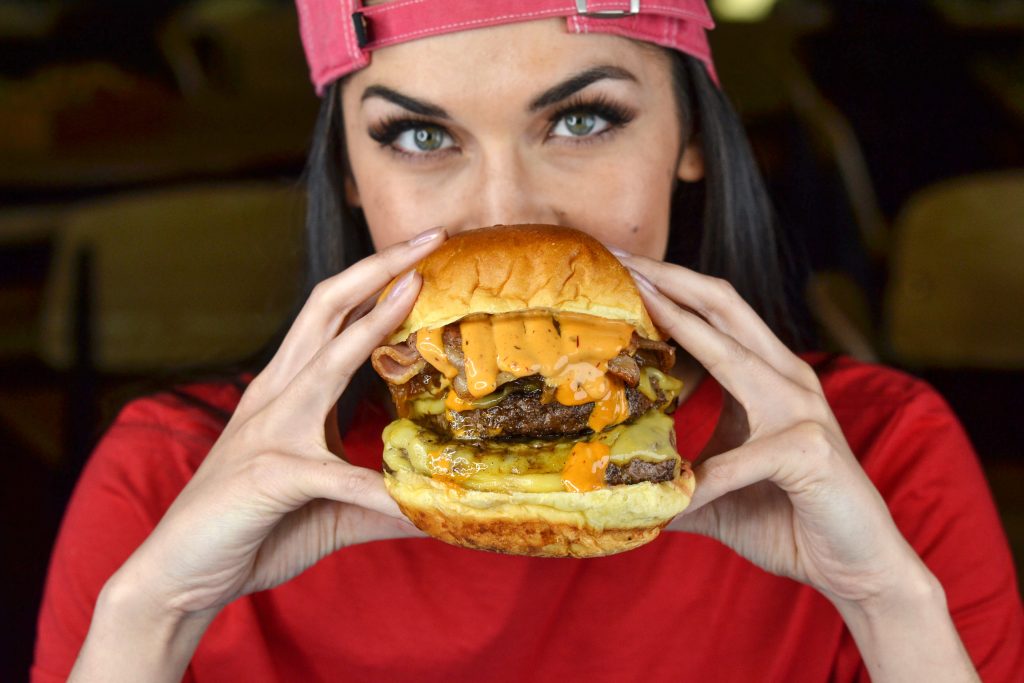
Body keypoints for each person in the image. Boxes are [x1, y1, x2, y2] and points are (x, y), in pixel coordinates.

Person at [33, 1, 1023, 681]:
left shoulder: (877, 456)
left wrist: (888, 604)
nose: (507, 218)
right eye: (420, 136)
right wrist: (148, 620)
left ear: (689, 138)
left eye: (583, 119)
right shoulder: (169, 485)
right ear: (345, 171)